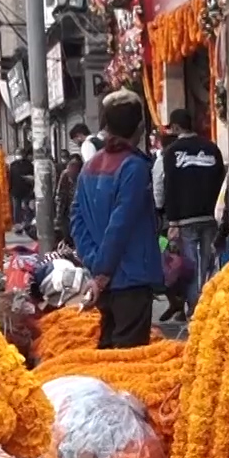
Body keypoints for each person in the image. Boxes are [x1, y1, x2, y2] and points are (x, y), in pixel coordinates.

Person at [72, 91, 161, 349]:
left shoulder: (89, 166)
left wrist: (95, 264)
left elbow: (76, 220)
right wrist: (103, 272)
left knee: (108, 354)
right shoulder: (134, 167)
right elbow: (119, 226)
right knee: (127, 360)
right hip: (130, 278)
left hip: (106, 279)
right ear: (141, 128)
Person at [152, 108, 224, 319]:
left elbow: (169, 187)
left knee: (190, 268)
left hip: (184, 219)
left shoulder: (172, 152)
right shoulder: (212, 149)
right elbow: (222, 182)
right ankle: (208, 308)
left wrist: (170, 219)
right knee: (209, 264)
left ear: (175, 127)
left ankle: (195, 310)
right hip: (211, 217)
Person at [53, 150, 81, 252]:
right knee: (68, 232)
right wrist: (58, 215)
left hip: (78, 208)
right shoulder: (65, 174)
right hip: (67, 208)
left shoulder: (83, 174)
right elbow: (60, 195)